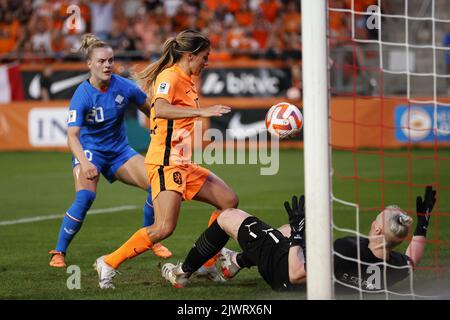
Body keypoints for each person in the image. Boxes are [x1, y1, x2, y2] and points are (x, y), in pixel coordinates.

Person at [93, 29, 238, 289]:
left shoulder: (189, 78)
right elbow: (158, 109)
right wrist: (203, 111)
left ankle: (206, 264)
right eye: (204, 57)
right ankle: (108, 262)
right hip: (164, 162)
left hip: (183, 162)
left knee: (228, 201)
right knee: (163, 228)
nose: (207, 62)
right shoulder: (169, 76)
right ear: (188, 55)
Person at [161, 186, 436, 293]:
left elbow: (296, 273)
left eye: (379, 217)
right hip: (307, 280)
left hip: (282, 273)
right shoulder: (397, 264)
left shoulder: (349, 249)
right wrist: (422, 222)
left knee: (228, 216)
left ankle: (181, 272)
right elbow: (413, 259)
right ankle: (234, 262)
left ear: (377, 231)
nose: (376, 217)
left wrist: (299, 232)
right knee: (282, 230)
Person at [48, 34, 173, 268]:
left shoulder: (124, 86)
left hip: (119, 152)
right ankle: (59, 252)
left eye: (110, 60)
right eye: (101, 61)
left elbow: (151, 110)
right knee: (85, 197)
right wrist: (85, 163)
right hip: (90, 152)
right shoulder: (82, 95)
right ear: (89, 64)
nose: (107, 65)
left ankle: (152, 239)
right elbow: (72, 136)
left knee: (157, 184)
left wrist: (161, 133)